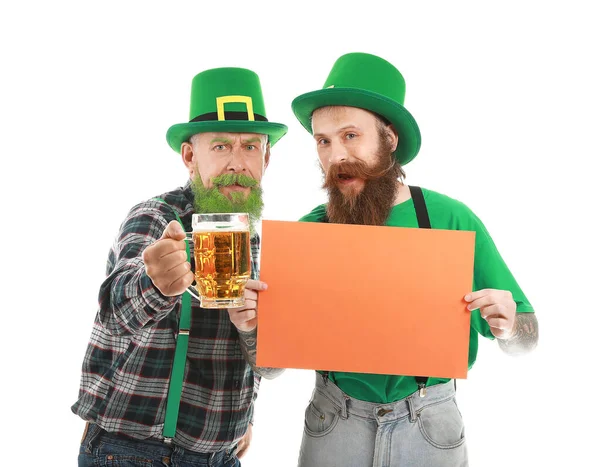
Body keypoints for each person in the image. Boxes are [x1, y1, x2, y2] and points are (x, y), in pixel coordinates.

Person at [291, 52, 539, 467]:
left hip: (428, 424)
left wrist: (509, 325)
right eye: (323, 140)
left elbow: (527, 340)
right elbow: (269, 367)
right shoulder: (309, 231)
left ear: (389, 140)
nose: (335, 156)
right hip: (334, 422)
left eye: (350, 135)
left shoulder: (448, 218)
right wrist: (251, 328)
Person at [73, 66, 287, 466]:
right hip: (134, 454)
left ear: (267, 158)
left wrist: (252, 329)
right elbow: (116, 308)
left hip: (221, 457)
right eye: (221, 147)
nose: (238, 163)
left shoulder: (258, 244)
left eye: (250, 147)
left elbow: (271, 366)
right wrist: (154, 282)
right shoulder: (155, 218)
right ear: (190, 156)